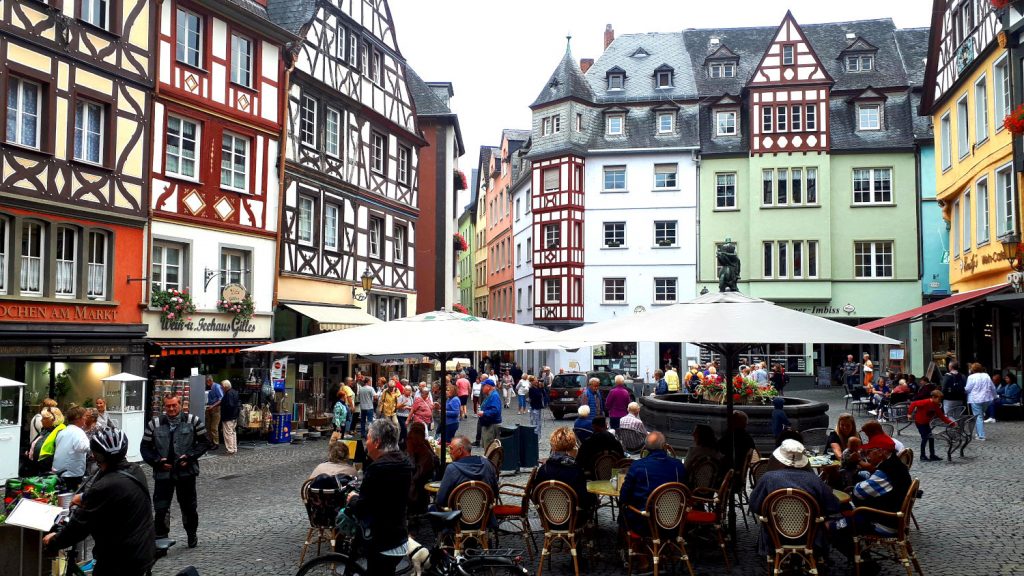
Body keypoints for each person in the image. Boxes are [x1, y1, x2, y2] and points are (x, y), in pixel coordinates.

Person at [43, 427, 155, 576]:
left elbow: (80, 526)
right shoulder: (135, 470)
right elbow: (114, 496)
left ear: (96, 456)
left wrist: (54, 541)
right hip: (144, 547)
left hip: (122, 559)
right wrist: (83, 497)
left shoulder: (106, 486)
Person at [748, 439, 841, 559]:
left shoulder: (767, 478)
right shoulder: (814, 480)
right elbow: (833, 506)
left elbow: (754, 505)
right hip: (810, 536)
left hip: (774, 536)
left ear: (779, 459)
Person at [140, 394, 210, 548]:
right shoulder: (154, 424)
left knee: (189, 507)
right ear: (164, 406)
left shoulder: (193, 421)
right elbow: (144, 448)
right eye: (168, 406)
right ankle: (161, 540)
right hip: (163, 474)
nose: (171, 409)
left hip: (186, 473)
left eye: (174, 405)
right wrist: (157, 461)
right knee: (161, 508)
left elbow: (205, 442)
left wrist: (190, 456)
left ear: (180, 405)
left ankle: (191, 534)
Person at [347, 419, 413, 574]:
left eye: (368, 438)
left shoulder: (377, 469)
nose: (366, 443)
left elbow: (364, 508)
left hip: (381, 540)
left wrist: (352, 499)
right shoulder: (404, 462)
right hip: (399, 535)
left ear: (377, 442)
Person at [619, 432, 686, 535]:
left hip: (645, 523)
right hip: (676, 522)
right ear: (664, 446)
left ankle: (626, 545)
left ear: (645, 447)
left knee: (623, 510)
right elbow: (686, 491)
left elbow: (624, 496)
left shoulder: (638, 466)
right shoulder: (678, 466)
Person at [852, 431, 911, 537]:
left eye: (869, 451)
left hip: (884, 523)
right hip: (893, 517)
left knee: (837, 525)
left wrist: (857, 484)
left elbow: (858, 492)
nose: (867, 456)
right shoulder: (896, 464)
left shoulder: (887, 469)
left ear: (881, 451)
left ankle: (859, 553)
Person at [534, 427, 595, 517]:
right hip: (573, 519)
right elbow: (583, 499)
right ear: (572, 446)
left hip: (548, 519)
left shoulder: (543, 470)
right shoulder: (575, 470)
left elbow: (535, 495)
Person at [433, 435, 498, 510]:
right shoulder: (487, 464)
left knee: (432, 510)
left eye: (451, 449)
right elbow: (495, 493)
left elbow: (440, 500)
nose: (449, 452)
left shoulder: (452, 469)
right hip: (485, 517)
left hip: (457, 518)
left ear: (460, 450)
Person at [908, 390, 955, 461]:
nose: (940, 401)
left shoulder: (936, 406)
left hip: (926, 423)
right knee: (925, 438)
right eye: (939, 399)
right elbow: (913, 404)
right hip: (920, 423)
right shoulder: (925, 402)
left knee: (931, 438)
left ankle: (932, 455)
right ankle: (922, 456)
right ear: (933, 397)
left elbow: (942, 416)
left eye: (940, 399)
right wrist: (909, 413)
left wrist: (952, 423)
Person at [53, 406, 91, 490]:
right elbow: (83, 447)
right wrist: (94, 448)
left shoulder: (63, 431)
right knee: (71, 496)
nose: (86, 418)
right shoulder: (78, 432)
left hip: (58, 470)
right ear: (78, 418)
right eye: (84, 416)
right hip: (72, 473)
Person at [405, 422, 437, 514]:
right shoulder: (420, 448)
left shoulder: (424, 453)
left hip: (417, 494)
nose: (408, 440)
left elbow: (413, 474)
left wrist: (410, 453)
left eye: (410, 438)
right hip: (417, 492)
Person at [965, 362, 997, 441]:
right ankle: (979, 433)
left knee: (978, 417)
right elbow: (992, 387)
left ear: (973, 369)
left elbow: (968, 389)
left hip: (976, 399)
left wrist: (964, 390)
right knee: (981, 415)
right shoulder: (986, 376)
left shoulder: (971, 377)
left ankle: (981, 435)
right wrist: (995, 396)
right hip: (986, 399)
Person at [477, 380, 502, 449]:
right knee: (487, 447)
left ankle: (488, 460)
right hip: (488, 424)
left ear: (488, 387)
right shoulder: (490, 395)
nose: (482, 388)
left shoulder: (494, 396)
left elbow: (495, 410)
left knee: (490, 448)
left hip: (491, 426)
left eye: (483, 386)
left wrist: (484, 413)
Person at [220, 380, 240, 455]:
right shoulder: (235, 392)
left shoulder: (228, 394)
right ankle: (234, 448)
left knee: (228, 433)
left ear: (225, 386)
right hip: (234, 416)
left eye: (222, 386)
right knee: (233, 432)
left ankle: (230, 449)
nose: (221, 388)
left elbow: (230, 405)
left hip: (228, 417)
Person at [204, 376, 223, 450]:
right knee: (208, 426)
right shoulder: (210, 387)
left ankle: (216, 443)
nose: (206, 383)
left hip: (216, 409)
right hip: (209, 408)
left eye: (206, 382)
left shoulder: (217, 387)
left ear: (209, 381)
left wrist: (213, 406)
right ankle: (211, 442)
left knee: (214, 427)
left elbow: (221, 399)